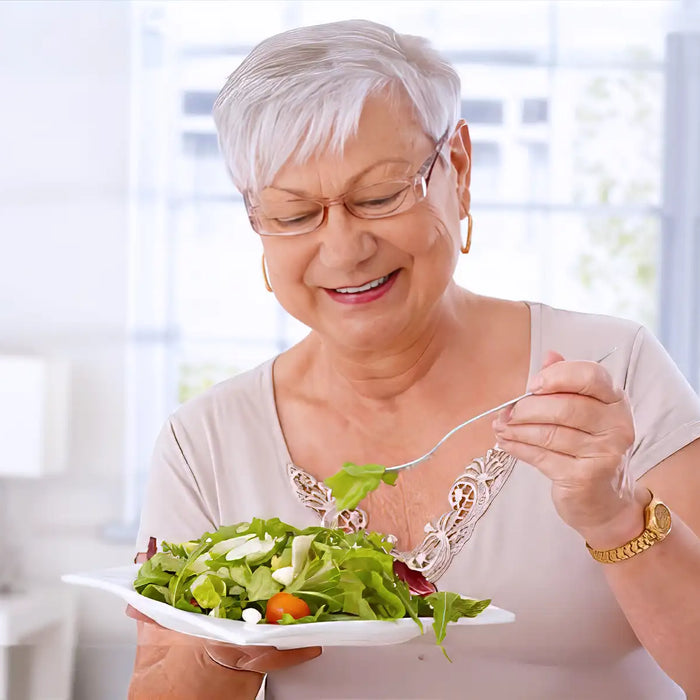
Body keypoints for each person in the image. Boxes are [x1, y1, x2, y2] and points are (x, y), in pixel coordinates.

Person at [128, 19, 700, 700]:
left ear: (456, 166)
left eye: (378, 197)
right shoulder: (206, 443)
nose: (342, 252)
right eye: (293, 214)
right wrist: (224, 645)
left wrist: (614, 517)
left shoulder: (611, 371)